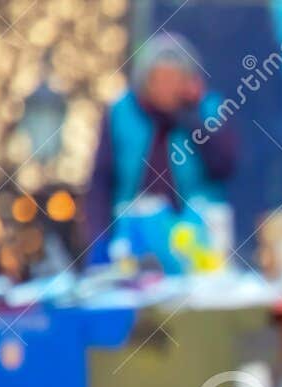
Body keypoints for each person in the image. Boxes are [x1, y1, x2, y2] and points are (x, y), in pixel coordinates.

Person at [84, 33, 238, 265]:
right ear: (144, 81)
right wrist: (99, 238)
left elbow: (224, 166)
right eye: (159, 79)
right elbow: (101, 182)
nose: (166, 88)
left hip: (196, 245)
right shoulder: (121, 113)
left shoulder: (207, 110)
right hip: (132, 240)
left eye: (175, 79)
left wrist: (191, 118)